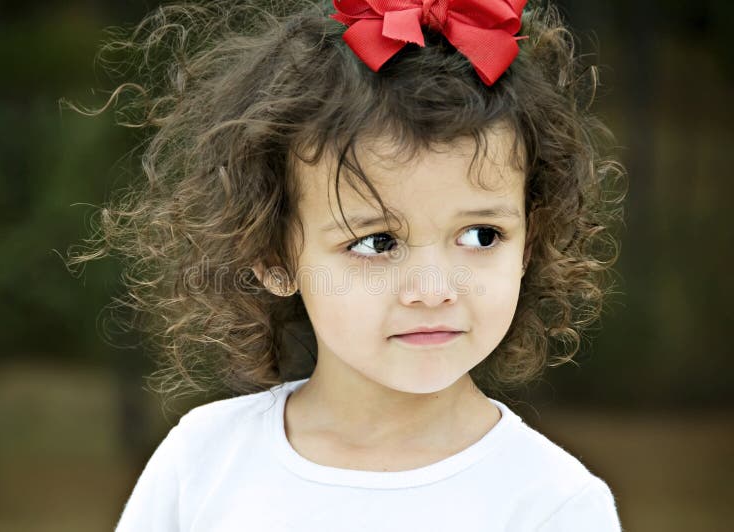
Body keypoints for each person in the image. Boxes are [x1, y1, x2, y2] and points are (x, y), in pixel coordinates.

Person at [68, 0, 627, 530]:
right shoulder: (204, 462)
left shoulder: (552, 503)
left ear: (528, 244)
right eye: (377, 242)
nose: (432, 291)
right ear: (272, 255)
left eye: (481, 235)